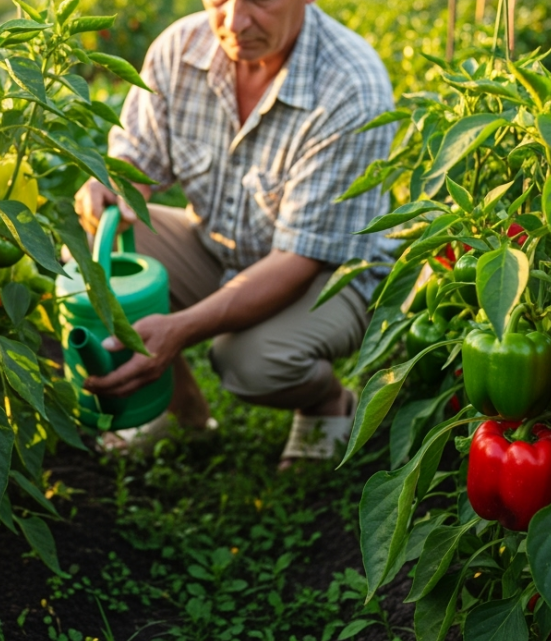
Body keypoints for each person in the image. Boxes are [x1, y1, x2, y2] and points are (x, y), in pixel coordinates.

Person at [73, 0, 396, 467]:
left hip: (328, 275)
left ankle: (326, 401)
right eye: (220, 0)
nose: (234, 23)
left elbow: (298, 260)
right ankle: (178, 405)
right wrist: (112, 186)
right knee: (89, 246)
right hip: (218, 244)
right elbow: (137, 163)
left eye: (261, 1)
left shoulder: (349, 85)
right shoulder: (180, 50)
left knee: (251, 363)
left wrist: (179, 331)